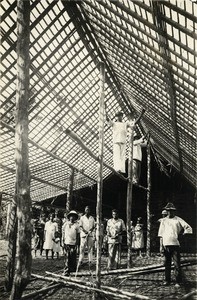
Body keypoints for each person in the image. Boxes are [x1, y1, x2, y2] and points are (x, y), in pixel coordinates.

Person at [158, 202, 192, 287]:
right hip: (166, 244)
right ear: (167, 211)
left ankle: (178, 281)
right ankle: (167, 280)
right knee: (167, 264)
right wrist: (161, 246)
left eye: (172, 211)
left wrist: (185, 233)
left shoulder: (178, 219)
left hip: (175, 244)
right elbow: (161, 235)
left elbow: (188, 227)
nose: (170, 212)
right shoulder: (164, 221)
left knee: (177, 264)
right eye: (168, 210)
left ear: (174, 211)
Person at [106, 108, 145, 173]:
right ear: (116, 117)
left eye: (121, 115)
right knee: (116, 156)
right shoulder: (114, 123)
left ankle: (121, 170)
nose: (120, 117)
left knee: (122, 156)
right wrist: (105, 111)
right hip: (116, 141)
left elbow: (135, 122)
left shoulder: (125, 124)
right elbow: (107, 119)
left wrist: (141, 114)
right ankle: (117, 169)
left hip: (123, 142)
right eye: (119, 116)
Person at [62, 210, 79, 275]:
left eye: (73, 216)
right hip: (67, 242)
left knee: (73, 256)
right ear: (69, 217)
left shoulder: (76, 225)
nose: (72, 218)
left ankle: (73, 269)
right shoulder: (65, 224)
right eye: (71, 216)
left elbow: (78, 235)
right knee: (67, 256)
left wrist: (77, 243)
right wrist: (62, 240)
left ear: (75, 218)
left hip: (73, 243)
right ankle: (66, 269)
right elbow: (63, 232)